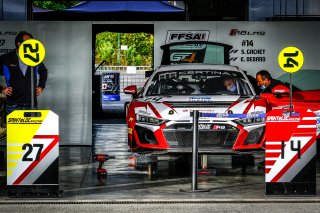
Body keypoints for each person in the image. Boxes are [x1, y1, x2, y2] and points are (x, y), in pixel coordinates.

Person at [0, 31, 48, 114]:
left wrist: (41, 86)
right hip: (13, 105)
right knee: (14, 128)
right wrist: (1, 89)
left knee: (32, 128)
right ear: (19, 44)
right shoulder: (6, 58)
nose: (31, 44)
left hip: (31, 104)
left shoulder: (35, 57)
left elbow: (43, 71)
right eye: (28, 42)